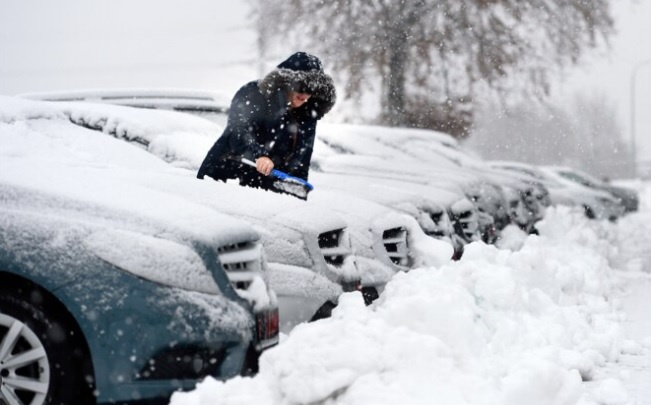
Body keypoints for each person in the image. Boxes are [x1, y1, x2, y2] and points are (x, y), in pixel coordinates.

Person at [196, 51, 336, 199]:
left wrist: (298, 192)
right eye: (301, 86)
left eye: (312, 88)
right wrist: (260, 155)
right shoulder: (253, 94)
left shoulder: (307, 113)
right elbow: (239, 133)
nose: (306, 94)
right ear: (285, 81)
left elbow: (302, 160)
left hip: (268, 190)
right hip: (226, 179)